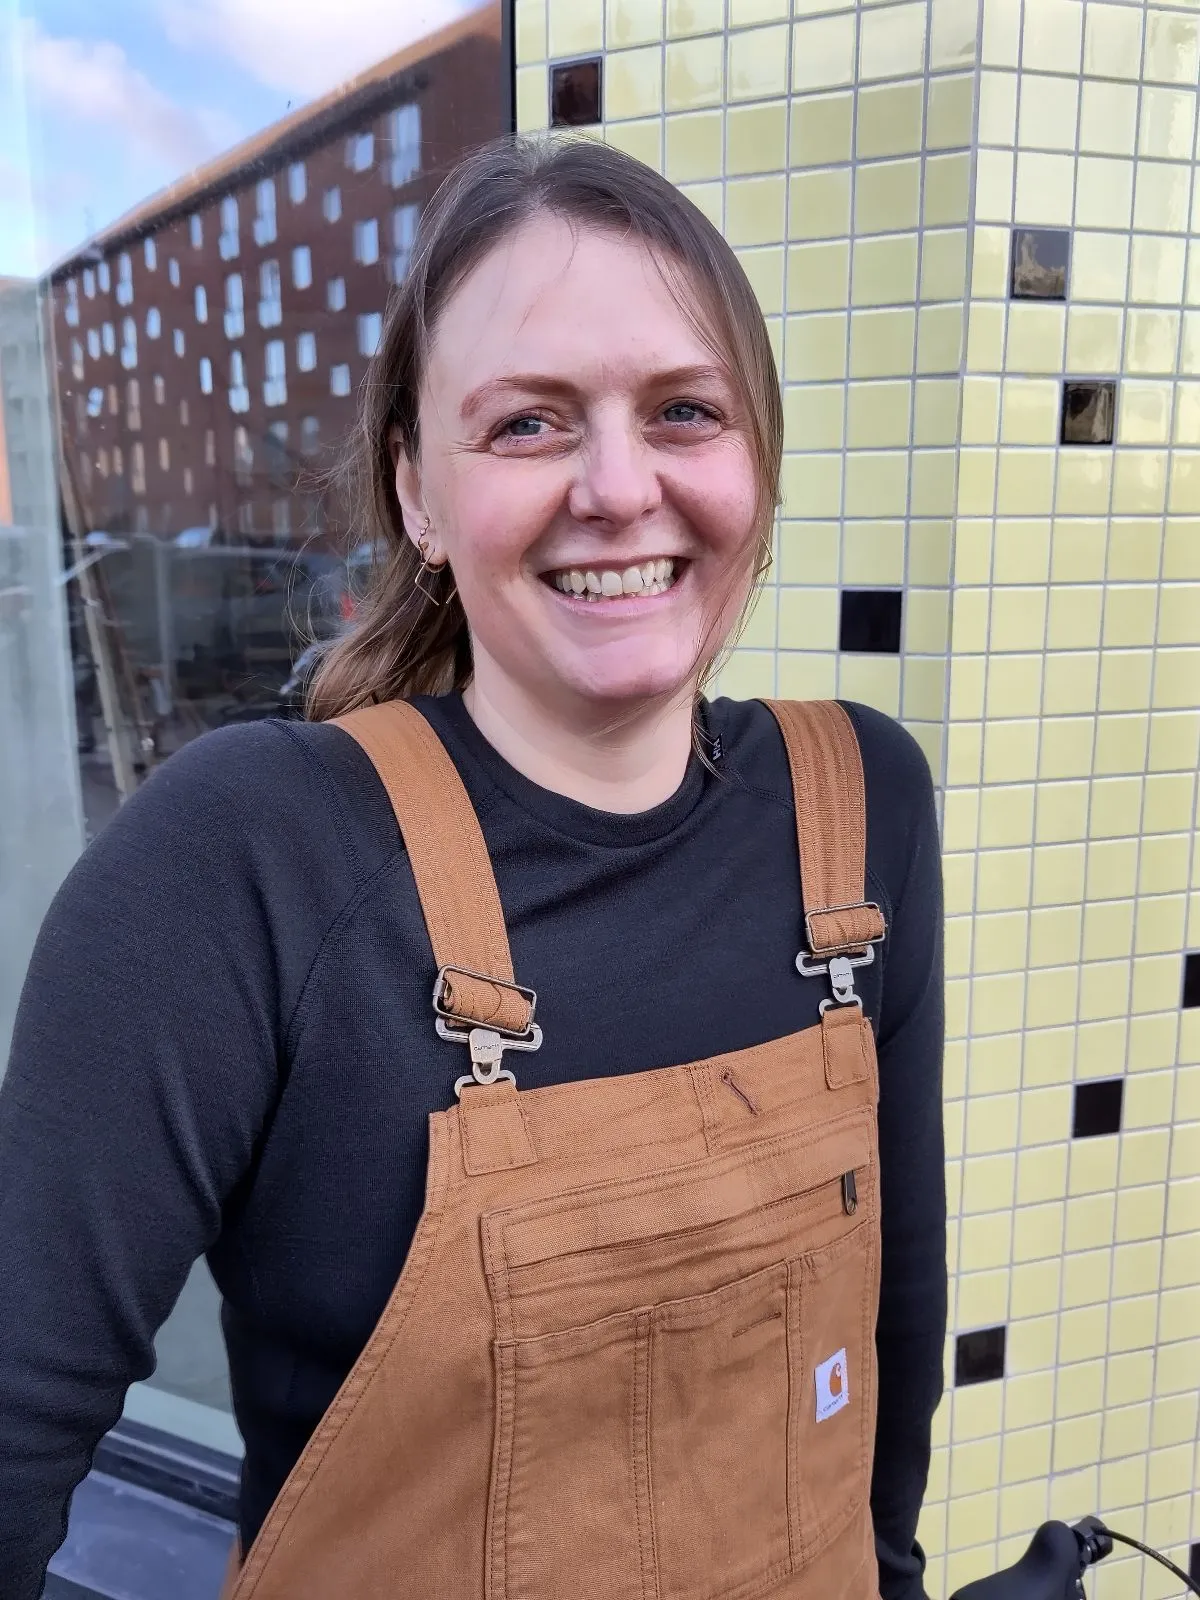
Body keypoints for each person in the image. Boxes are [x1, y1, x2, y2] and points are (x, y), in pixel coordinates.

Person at [0, 135, 946, 1600]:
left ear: (756, 458)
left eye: (684, 411)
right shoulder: (246, 862)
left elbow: (896, 1326)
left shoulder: (860, 802)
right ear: (419, 497)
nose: (619, 488)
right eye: (528, 425)